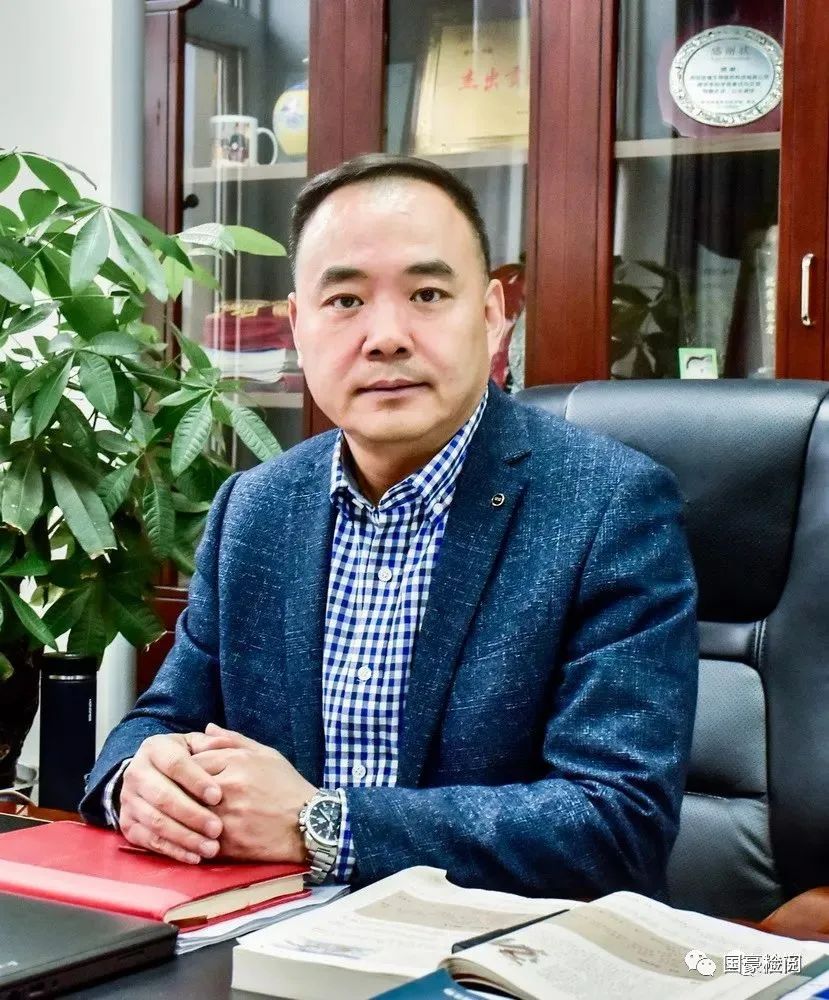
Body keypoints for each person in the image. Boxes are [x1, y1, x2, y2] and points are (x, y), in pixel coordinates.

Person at [81, 153, 698, 898]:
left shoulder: (607, 507)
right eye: (344, 301)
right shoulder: (255, 508)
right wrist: (139, 781)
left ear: (492, 317)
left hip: (491, 944)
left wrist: (320, 826)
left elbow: (617, 822)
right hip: (266, 932)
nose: (385, 337)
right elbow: (160, 720)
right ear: (298, 325)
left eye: (427, 294)